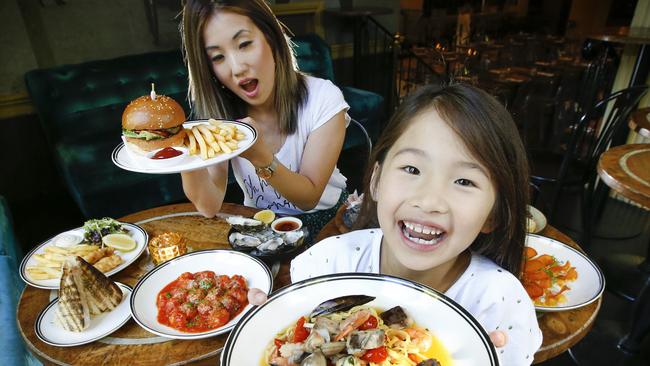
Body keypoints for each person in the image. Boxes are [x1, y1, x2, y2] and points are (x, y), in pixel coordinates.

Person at [289, 83, 542, 364]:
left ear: (494, 214)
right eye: (412, 169)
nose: (430, 200)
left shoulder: (498, 305)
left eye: (464, 181)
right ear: (376, 180)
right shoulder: (327, 265)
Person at [179, 0, 349, 239]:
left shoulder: (323, 98)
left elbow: (309, 199)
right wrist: (185, 156)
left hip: (327, 222)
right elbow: (209, 206)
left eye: (245, 44)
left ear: (271, 37)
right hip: (261, 226)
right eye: (218, 57)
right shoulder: (222, 118)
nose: (237, 68)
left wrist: (260, 158)